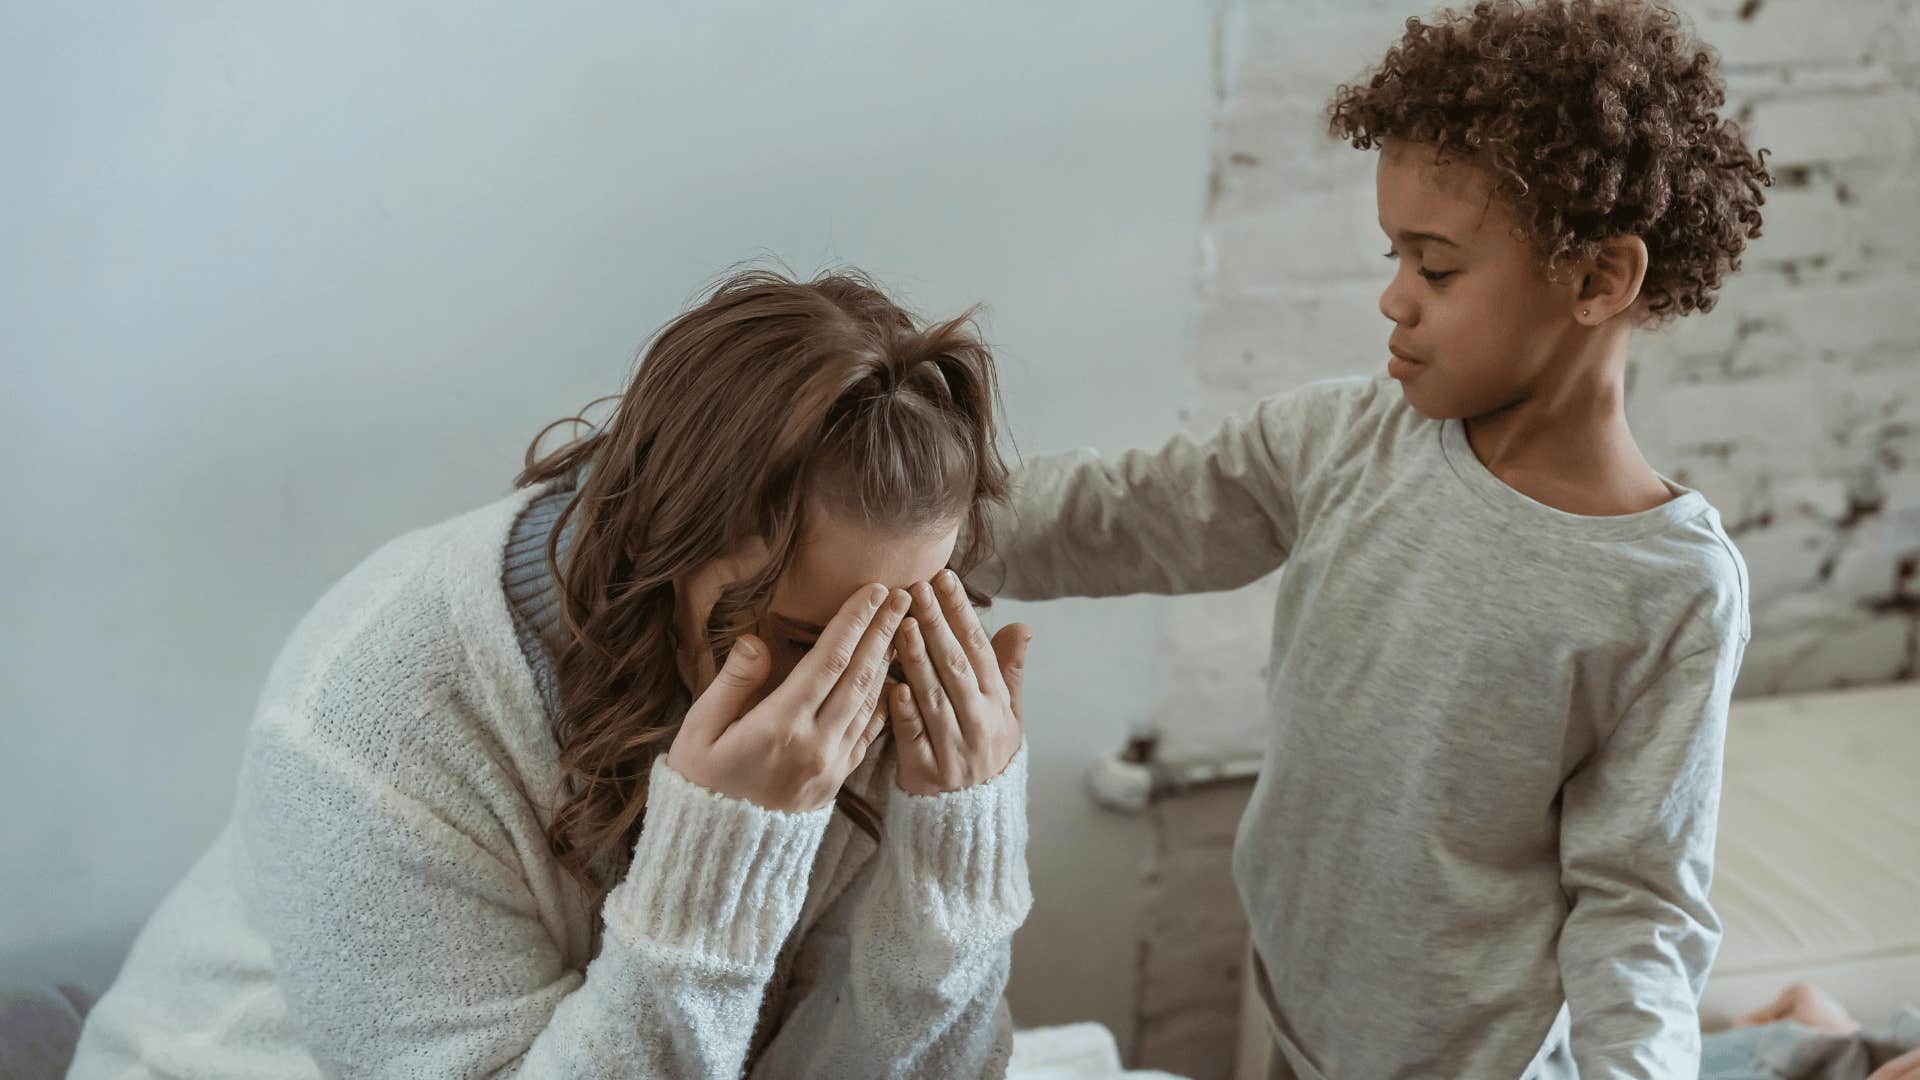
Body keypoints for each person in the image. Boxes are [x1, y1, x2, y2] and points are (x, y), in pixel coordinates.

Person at [968, 1, 1769, 1075]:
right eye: (1394, 257)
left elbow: (1640, 901)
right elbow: (1127, 512)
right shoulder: (1345, 440)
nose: (1394, 299)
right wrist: (921, 528)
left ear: (1595, 280)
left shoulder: (1669, 586)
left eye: (1435, 270)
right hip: (1300, 1009)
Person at [69, 268, 1036, 1079]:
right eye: (796, 637)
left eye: (902, 625)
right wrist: (717, 868)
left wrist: (953, 867)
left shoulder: (898, 682)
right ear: (658, 546)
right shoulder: (373, 711)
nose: (853, 688)